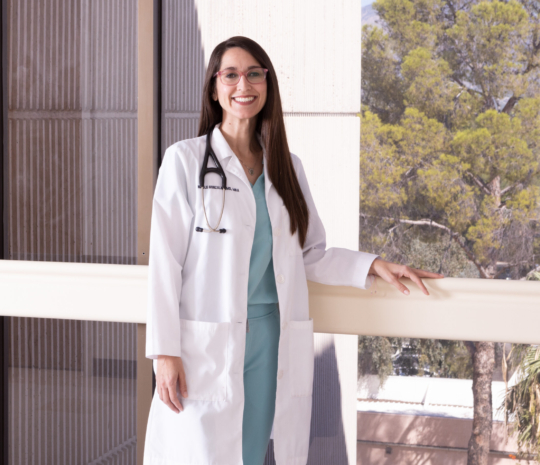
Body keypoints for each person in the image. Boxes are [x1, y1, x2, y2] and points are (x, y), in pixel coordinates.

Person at [143, 36, 444, 465]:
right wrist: (165, 352)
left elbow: (311, 253)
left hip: (271, 338)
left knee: (250, 453)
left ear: (267, 84)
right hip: (204, 345)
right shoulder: (185, 161)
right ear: (214, 88)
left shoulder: (286, 166)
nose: (242, 84)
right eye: (230, 75)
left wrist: (374, 265)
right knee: (200, 452)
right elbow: (164, 264)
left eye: (254, 74)